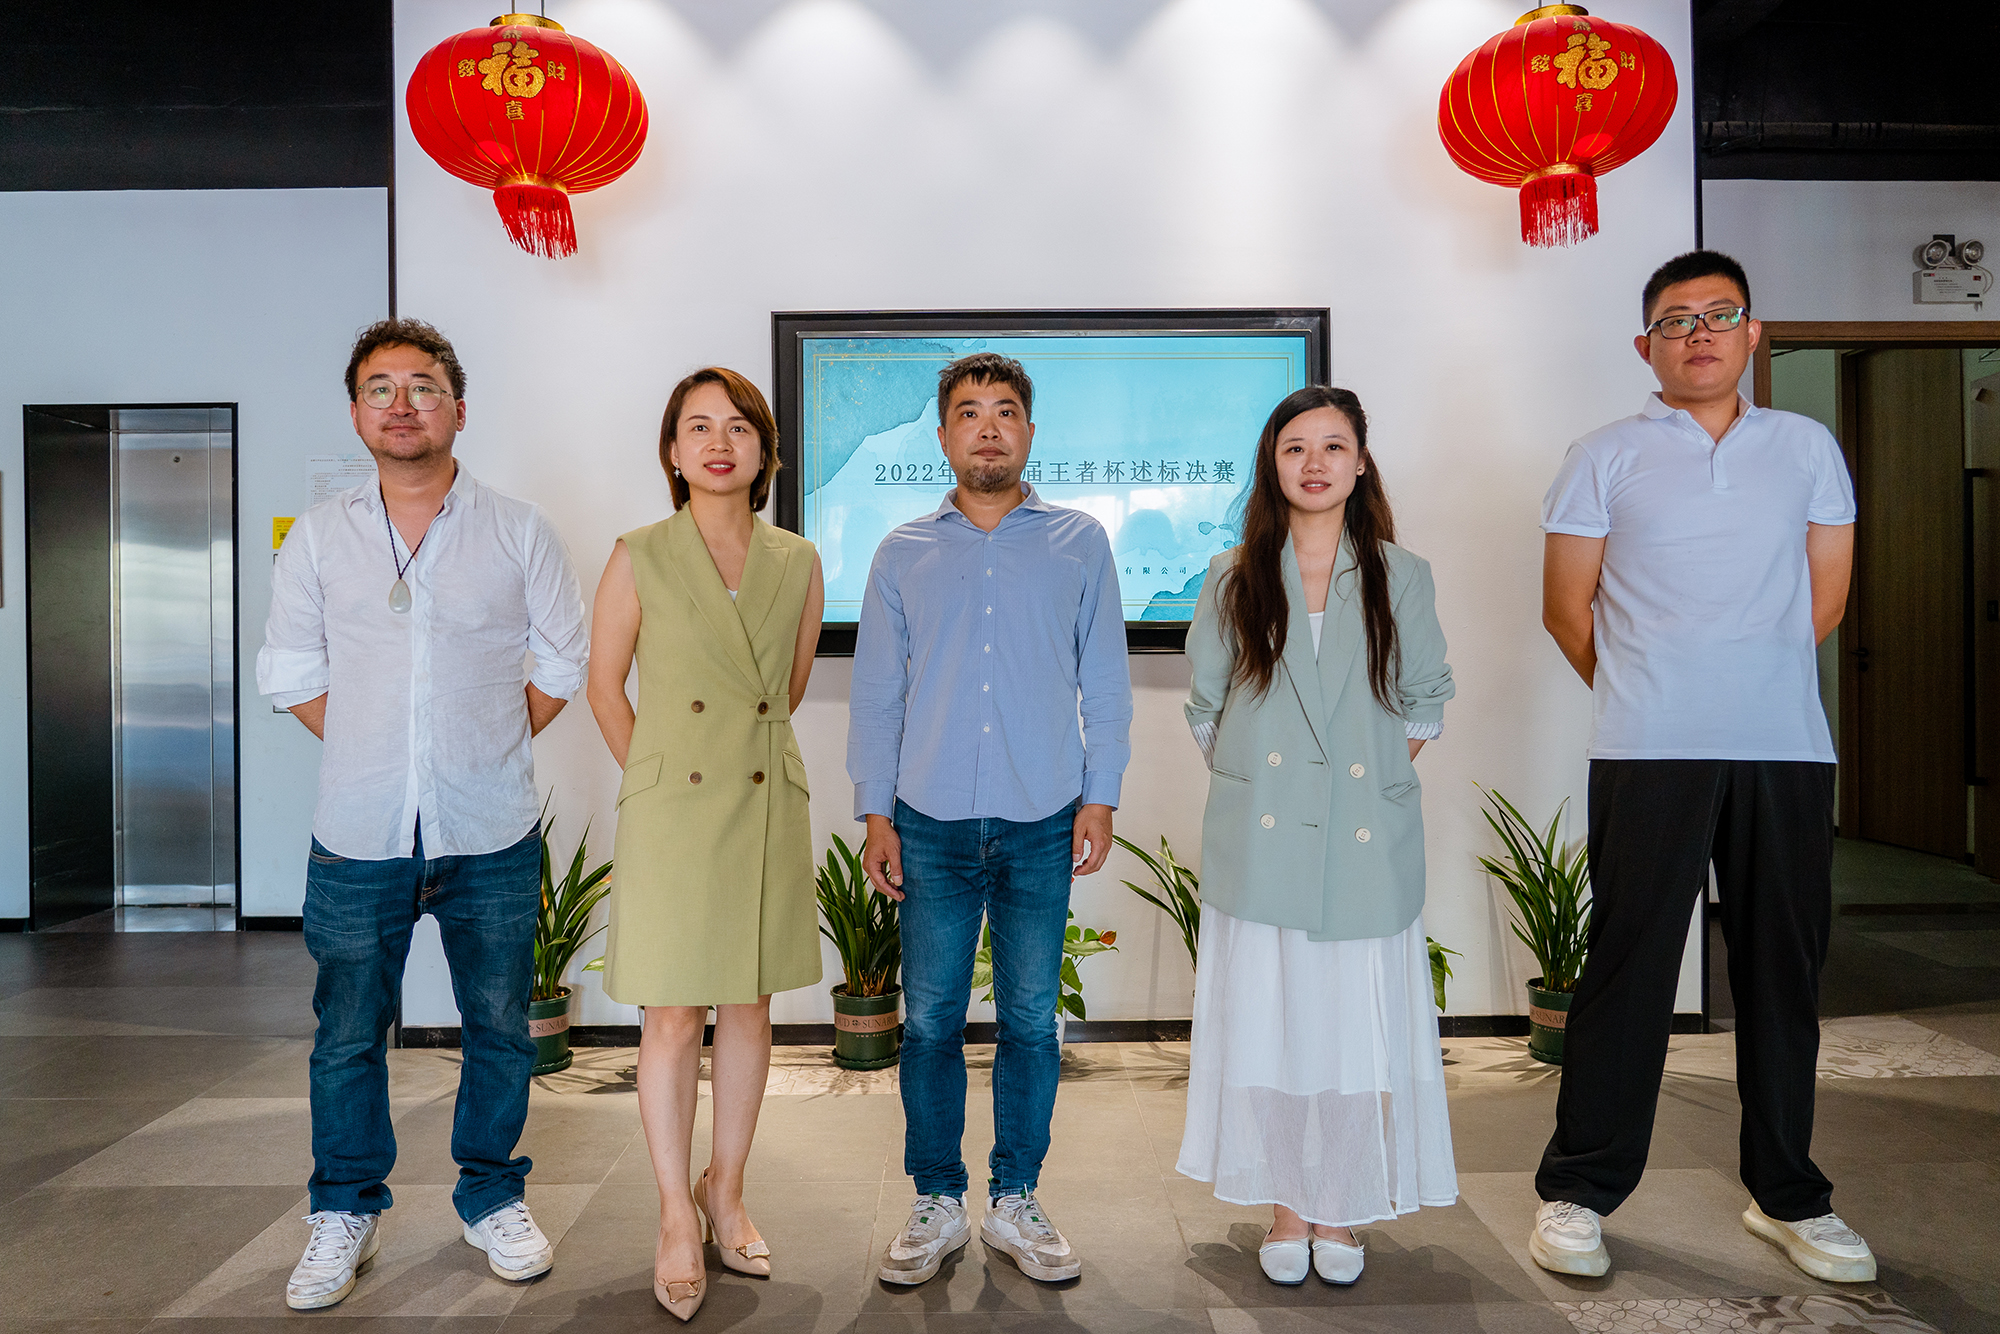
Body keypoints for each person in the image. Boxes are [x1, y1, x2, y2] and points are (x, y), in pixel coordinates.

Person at [1531, 251, 1873, 1283]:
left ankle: (1790, 1196)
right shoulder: (1602, 454)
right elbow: (1566, 609)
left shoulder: (1804, 448)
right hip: (1648, 746)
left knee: (1780, 971)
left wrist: (1744, 679)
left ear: (1751, 333)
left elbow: (1824, 600)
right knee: (1628, 969)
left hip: (1783, 747)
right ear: (1646, 346)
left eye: (1719, 315)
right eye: (1676, 321)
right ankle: (1578, 1190)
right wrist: (1653, 688)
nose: (1699, 334)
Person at [257, 318, 589, 1309]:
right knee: (348, 1034)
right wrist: (380, 746)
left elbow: (562, 660)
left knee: (499, 1027)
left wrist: (475, 744)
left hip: (489, 829)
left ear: (458, 408)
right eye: (380, 388)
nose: (401, 404)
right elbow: (291, 671)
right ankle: (344, 1208)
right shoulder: (320, 536)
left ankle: (491, 1195)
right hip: (357, 831)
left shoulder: (518, 529)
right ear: (358, 412)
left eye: (422, 386)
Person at [849, 352, 1133, 1287]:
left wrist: (1100, 794)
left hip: (1043, 816)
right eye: (969, 412)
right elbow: (877, 696)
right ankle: (937, 1198)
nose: (988, 427)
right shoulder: (901, 553)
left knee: (1030, 1020)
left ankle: (1015, 1197)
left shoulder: (1081, 543)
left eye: (1005, 410)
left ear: (1029, 432)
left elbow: (1106, 681)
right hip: (927, 819)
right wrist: (876, 812)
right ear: (943, 437)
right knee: (930, 1020)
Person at [1176, 385, 1457, 1286]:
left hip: (1363, 841)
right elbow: (1208, 708)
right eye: (1295, 447)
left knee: (1347, 1033)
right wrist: (1282, 781)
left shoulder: (1399, 574)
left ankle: (1337, 1208)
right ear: (1273, 463)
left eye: (1334, 446)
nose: (1315, 463)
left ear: (1361, 462)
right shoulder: (1234, 573)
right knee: (1271, 1028)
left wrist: (1355, 781)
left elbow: (1425, 700)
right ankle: (1286, 1210)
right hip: (1263, 843)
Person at [586, 367, 824, 1321]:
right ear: (673, 452)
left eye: (738, 427)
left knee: (751, 1004)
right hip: (673, 811)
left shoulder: (798, 559)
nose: (719, 443)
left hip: (763, 799)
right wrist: (657, 779)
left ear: (765, 451)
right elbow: (605, 685)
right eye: (698, 427)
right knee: (673, 1015)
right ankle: (673, 1214)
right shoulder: (638, 553)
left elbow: (789, 688)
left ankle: (727, 1192)